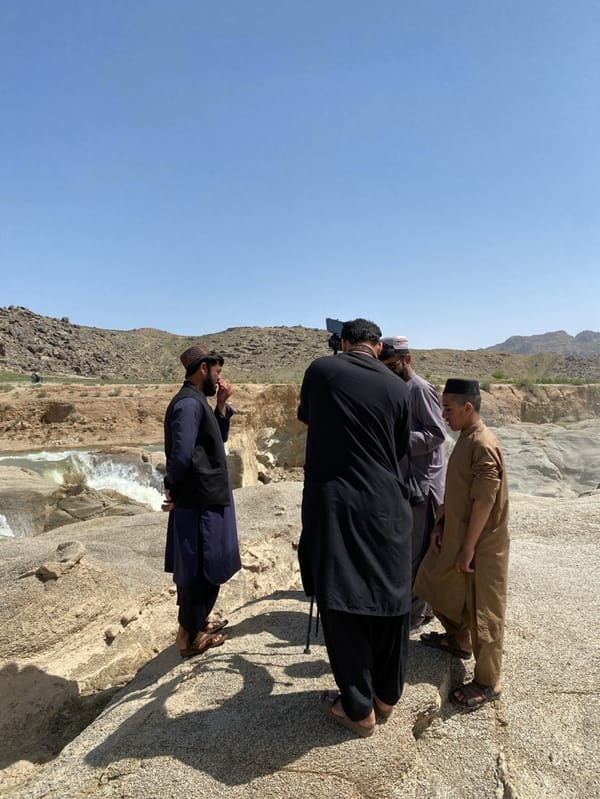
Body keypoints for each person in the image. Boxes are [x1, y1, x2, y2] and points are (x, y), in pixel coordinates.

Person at [298, 318, 413, 737]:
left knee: (341, 598)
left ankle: (359, 709)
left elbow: (310, 417)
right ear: (379, 347)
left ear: (343, 342)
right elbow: (398, 448)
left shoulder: (322, 370)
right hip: (388, 506)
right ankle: (386, 697)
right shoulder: (399, 388)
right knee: (389, 597)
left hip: (338, 504)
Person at [414, 379, 509, 711]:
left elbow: (484, 500)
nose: (443, 416)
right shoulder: (466, 439)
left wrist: (468, 548)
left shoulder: (483, 443)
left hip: (482, 546)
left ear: (468, 408)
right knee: (431, 581)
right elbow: (458, 493)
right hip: (456, 535)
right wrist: (441, 524)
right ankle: (459, 638)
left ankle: (488, 681)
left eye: (448, 409)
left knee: (486, 611)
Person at [162, 344, 241, 658]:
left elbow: (214, 439)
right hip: (199, 502)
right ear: (202, 369)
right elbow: (180, 455)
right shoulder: (187, 405)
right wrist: (171, 488)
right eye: (217, 372)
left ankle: (196, 624)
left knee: (207, 563)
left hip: (206, 497)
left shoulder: (198, 402)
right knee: (200, 567)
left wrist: (221, 404)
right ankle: (190, 638)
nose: (220, 379)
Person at [378, 335, 446, 631]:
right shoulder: (397, 387)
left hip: (424, 484)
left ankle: (415, 616)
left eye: (393, 365)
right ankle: (423, 608)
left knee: (417, 551)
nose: (389, 371)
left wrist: (397, 439)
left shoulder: (419, 389)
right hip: (407, 482)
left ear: (407, 360)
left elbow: (436, 433)